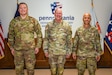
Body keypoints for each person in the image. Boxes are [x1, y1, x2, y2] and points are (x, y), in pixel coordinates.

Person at [8, 2, 42, 75]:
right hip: (18, 50)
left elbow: (39, 34)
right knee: (18, 70)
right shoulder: (14, 22)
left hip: (30, 50)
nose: (22, 9)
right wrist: (11, 47)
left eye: (24, 8)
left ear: (27, 9)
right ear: (18, 10)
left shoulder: (33, 21)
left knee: (30, 69)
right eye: (20, 8)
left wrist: (38, 46)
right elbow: (10, 35)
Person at [43, 8, 72, 75]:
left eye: (60, 13)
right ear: (54, 14)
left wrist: (69, 51)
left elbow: (69, 40)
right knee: (53, 71)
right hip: (52, 53)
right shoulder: (49, 25)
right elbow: (46, 39)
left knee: (60, 71)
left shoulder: (66, 25)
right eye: (57, 13)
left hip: (62, 53)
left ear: (62, 14)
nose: (58, 15)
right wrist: (45, 50)